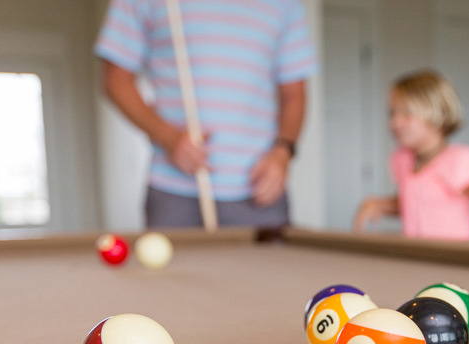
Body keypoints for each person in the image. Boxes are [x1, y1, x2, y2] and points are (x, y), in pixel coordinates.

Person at [95, 0, 316, 228]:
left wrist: (282, 152)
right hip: (173, 190)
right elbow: (116, 81)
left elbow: (294, 94)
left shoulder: (286, 4)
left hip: (261, 187)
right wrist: (168, 137)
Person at [353, 70, 469, 240]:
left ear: (437, 114)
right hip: (417, 259)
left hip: (453, 261)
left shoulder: (458, 160)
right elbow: (412, 201)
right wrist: (379, 204)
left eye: (406, 113)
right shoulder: (401, 159)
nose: (395, 121)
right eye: (392, 113)